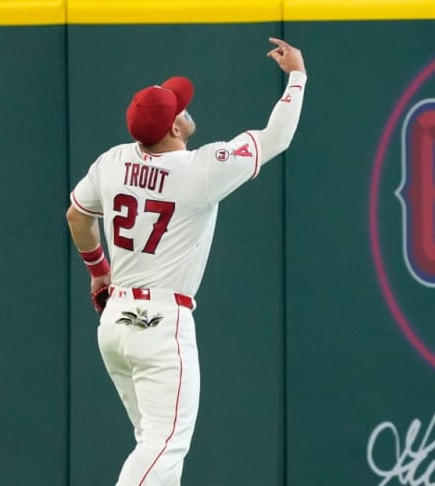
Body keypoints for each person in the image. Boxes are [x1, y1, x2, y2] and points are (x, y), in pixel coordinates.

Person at [65, 38, 307, 485]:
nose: (184, 108)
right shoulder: (200, 169)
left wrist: (99, 272)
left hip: (116, 322)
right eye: (178, 107)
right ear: (174, 129)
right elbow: (277, 137)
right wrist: (297, 76)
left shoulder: (113, 162)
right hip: (159, 322)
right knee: (165, 444)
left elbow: (78, 216)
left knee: (155, 446)